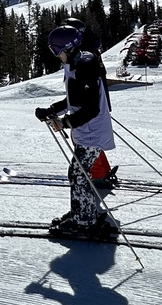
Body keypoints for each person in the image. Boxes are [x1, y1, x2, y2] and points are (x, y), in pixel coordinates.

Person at [35, 25, 119, 239]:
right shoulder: (76, 63)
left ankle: (84, 221)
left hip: (92, 132)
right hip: (87, 131)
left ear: (67, 47)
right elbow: (75, 99)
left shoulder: (83, 66)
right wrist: (52, 110)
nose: (57, 55)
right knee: (80, 174)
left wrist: (66, 123)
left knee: (79, 175)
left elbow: (91, 108)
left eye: (56, 50)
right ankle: (84, 212)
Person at [64, 17, 114, 186]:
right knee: (93, 143)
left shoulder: (82, 55)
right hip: (98, 103)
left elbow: (84, 87)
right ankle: (103, 171)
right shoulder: (89, 49)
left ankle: (97, 176)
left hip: (90, 106)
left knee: (85, 141)